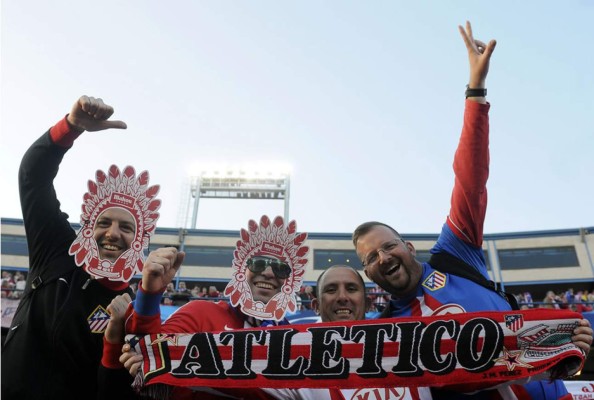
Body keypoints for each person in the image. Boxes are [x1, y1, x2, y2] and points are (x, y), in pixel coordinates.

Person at [352, 22, 593, 399]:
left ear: (410, 247)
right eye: (370, 258)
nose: (382, 258)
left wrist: (475, 91)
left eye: (388, 246)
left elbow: (470, 179)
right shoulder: (383, 336)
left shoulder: (453, 255)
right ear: (368, 273)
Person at [1, 96, 141, 400]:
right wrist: (70, 128)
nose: (113, 233)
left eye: (126, 227)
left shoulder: (134, 309)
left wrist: (117, 337)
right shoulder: (55, 247)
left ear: (139, 238)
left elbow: (115, 391)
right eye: (104, 222)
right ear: (88, 225)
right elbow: (33, 178)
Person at [119, 216, 311, 399]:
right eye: (258, 263)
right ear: (241, 270)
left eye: (281, 269)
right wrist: (150, 294)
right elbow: (149, 350)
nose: (269, 273)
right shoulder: (201, 312)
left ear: (289, 280)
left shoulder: (299, 338)